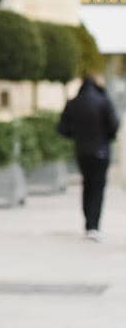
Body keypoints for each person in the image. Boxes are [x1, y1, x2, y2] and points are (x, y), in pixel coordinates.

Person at [58, 70, 120, 241]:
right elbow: (114, 125)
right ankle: (94, 225)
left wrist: (77, 135)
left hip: (82, 151)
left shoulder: (73, 103)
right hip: (101, 151)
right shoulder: (103, 101)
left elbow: (62, 129)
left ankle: (88, 223)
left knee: (87, 185)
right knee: (98, 187)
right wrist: (107, 137)